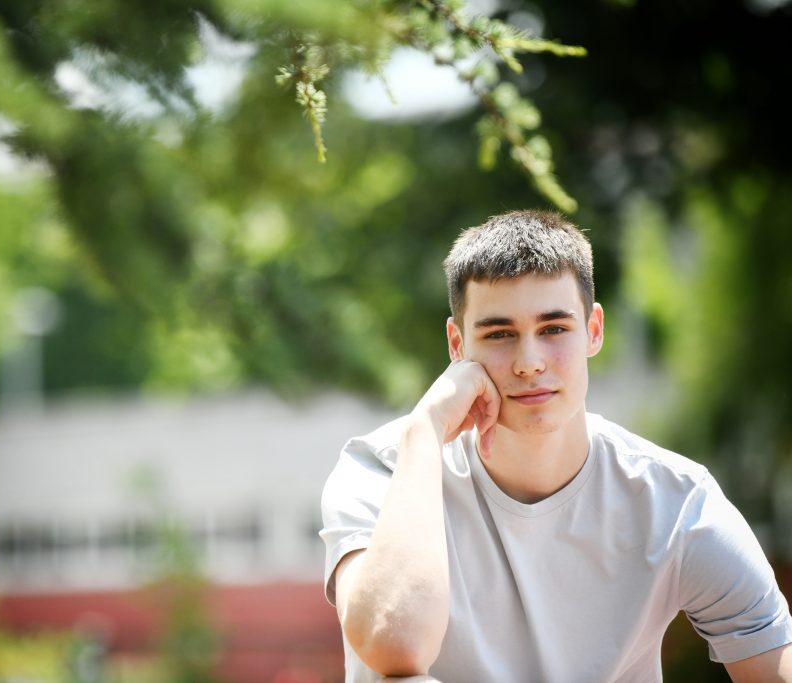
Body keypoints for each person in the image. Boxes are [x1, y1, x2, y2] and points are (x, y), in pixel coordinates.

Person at [319, 210, 792, 682]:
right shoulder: (381, 469)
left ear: (593, 330)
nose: (529, 362)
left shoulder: (674, 502)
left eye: (553, 329)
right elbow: (395, 644)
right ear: (457, 345)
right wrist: (424, 430)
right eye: (499, 334)